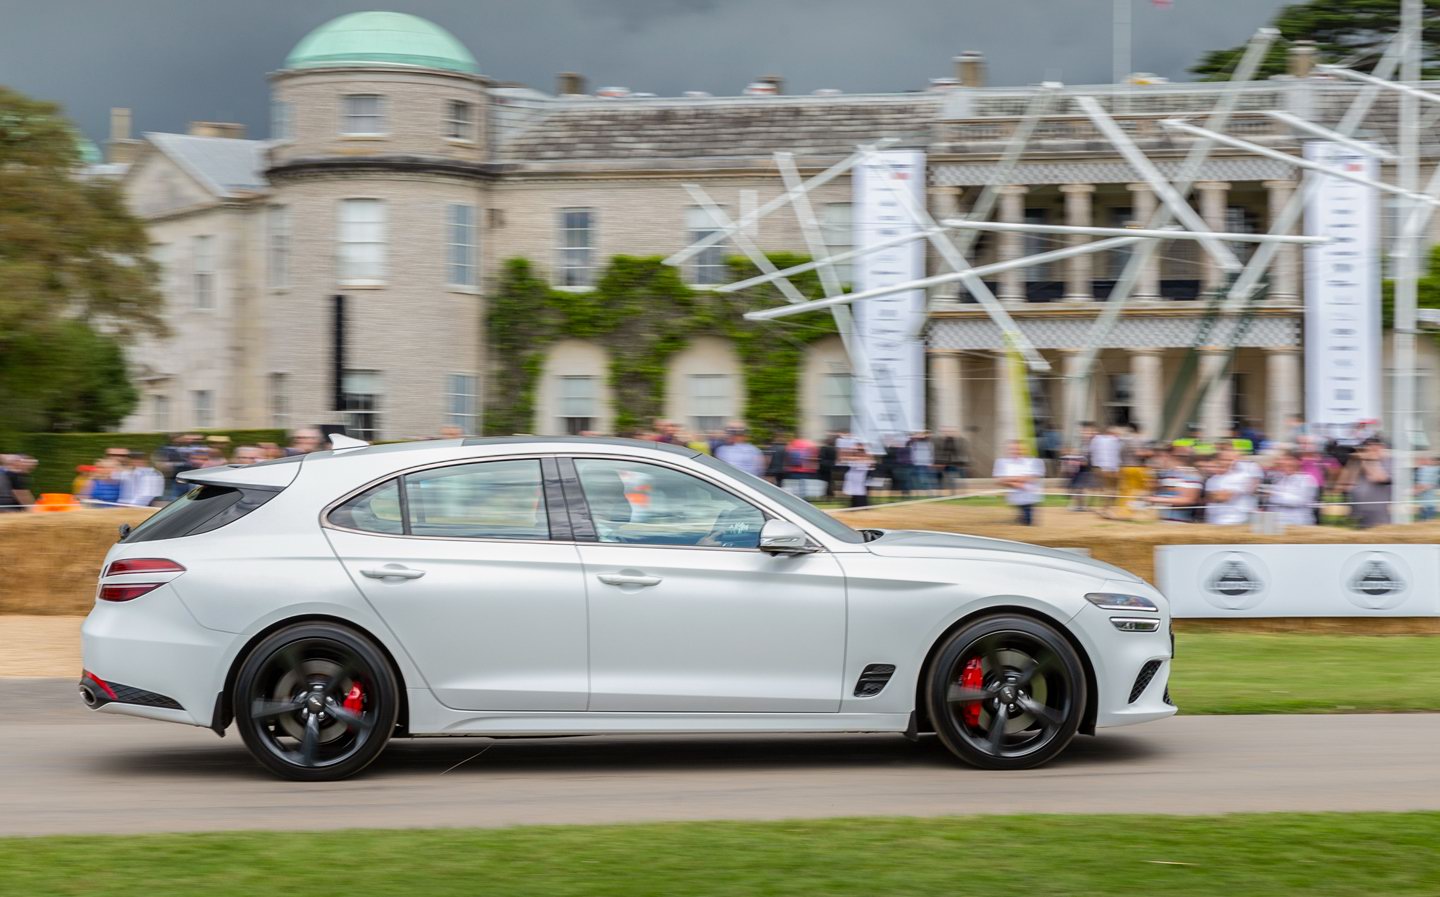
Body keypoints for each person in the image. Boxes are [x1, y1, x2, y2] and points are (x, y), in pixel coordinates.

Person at [1339, 438, 1393, 528]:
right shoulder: (1358, 461)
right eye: (1368, 448)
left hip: (1379, 514)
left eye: (1374, 448)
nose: (1370, 451)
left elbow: (1377, 478)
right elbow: (1345, 485)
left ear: (1381, 448)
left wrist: (1369, 460)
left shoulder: (1389, 462)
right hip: (1358, 512)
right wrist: (1353, 461)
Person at [993, 439, 1045, 525]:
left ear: (1025, 450)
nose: (1016, 451)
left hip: (1029, 497)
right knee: (1021, 519)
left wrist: (1008, 479)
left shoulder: (1033, 462)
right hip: (1014, 497)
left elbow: (1031, 478)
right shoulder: (1003, 462)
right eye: (1013, 449)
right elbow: (998, 480)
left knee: (1028, 521)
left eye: (1018, 449)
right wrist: (1017, 484)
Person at [1150, 445, 1204, 523]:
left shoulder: (1191, 475)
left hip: (1178, 522)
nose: (1156, 460)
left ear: (1170, 456)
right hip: (1159, 521)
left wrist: (1157, 499)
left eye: (1160, 456)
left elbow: (1189, 500)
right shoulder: (1165, 474)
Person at [1265, 450, 1318, 528]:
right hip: (1276, 524)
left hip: (1298, 524)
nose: (1284, 462)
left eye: (1288, 459)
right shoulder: (1278, 478)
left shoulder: (1307, 479)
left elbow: (1298, 501)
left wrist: (1273, 495)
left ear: (1298, 462)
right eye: (1283, 460)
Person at [1204, 450, 1257, 525]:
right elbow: (1209, 498)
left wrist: (1215, 495)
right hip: (1213, 519)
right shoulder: (1212, 479)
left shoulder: (1242, 477)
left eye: (1230, 460)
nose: (1226, 462)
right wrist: (1215, 496)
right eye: (1223, 459)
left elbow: (1223, 497)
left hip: (1235, 519)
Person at [1088, 424, 1121, 512]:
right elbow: (1117, 455)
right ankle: (1106, 507)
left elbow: (1091, 451)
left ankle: (1096, 505)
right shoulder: (1115, 440)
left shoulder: (1096, 439)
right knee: (1110, 488)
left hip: (1099, 467)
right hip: (1111, 468)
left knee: (1101, 487)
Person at [837, 433, 873, 508]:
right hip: (853, 474)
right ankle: (855, 505)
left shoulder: (866, 454)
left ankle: (861, 505)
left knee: (860, 491)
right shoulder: (853, 453)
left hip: (861, 475)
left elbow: (869, 461)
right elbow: (842, 458)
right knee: (854, 491)